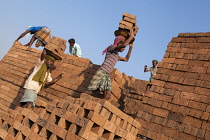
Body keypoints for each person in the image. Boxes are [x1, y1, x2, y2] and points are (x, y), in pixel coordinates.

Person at [85, 30, 134, 100]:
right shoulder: (111, 48)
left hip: (107, 74)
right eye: (122, 46)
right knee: (89, 91)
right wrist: (131, 37)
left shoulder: (117, 56)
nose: (124, 48)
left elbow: (126, 59)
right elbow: (124, 44)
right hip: (102, 71)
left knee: (107, 95)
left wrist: (131, 48)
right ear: (118, 44)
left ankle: (99, 106)